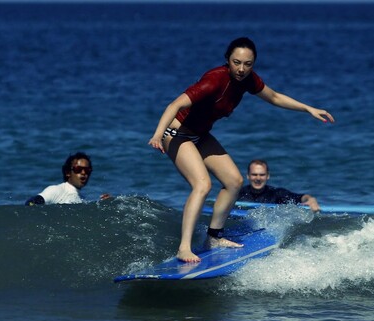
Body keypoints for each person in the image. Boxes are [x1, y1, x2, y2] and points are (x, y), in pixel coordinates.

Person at [148, 37, 334, 263]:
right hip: (175, 133)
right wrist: (158, 135)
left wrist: (308, 108)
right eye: (237, 62)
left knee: (234, 181)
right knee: (202, 184)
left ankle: (214, 237)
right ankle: (184, 248)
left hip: (200, 135)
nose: (242, 68)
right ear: (227, 60)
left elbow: (274, 97)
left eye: (248, 64)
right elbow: (174, 105)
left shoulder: (247, 80)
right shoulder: (214, 80)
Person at [25, 152, 110, 205]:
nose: (84, 173)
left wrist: (105, 205)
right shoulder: (56, 190)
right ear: (68, 172)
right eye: (78, 169)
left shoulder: (82, 198)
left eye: (87, 170)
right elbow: (31, 203)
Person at [238, 159, 321, 212]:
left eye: (262, 175)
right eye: (254, 174)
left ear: (268, 176)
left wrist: (310, 199)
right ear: (248, 176)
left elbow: (299, 198)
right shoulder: (237, 194)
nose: (258, 178)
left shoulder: (277, 194)